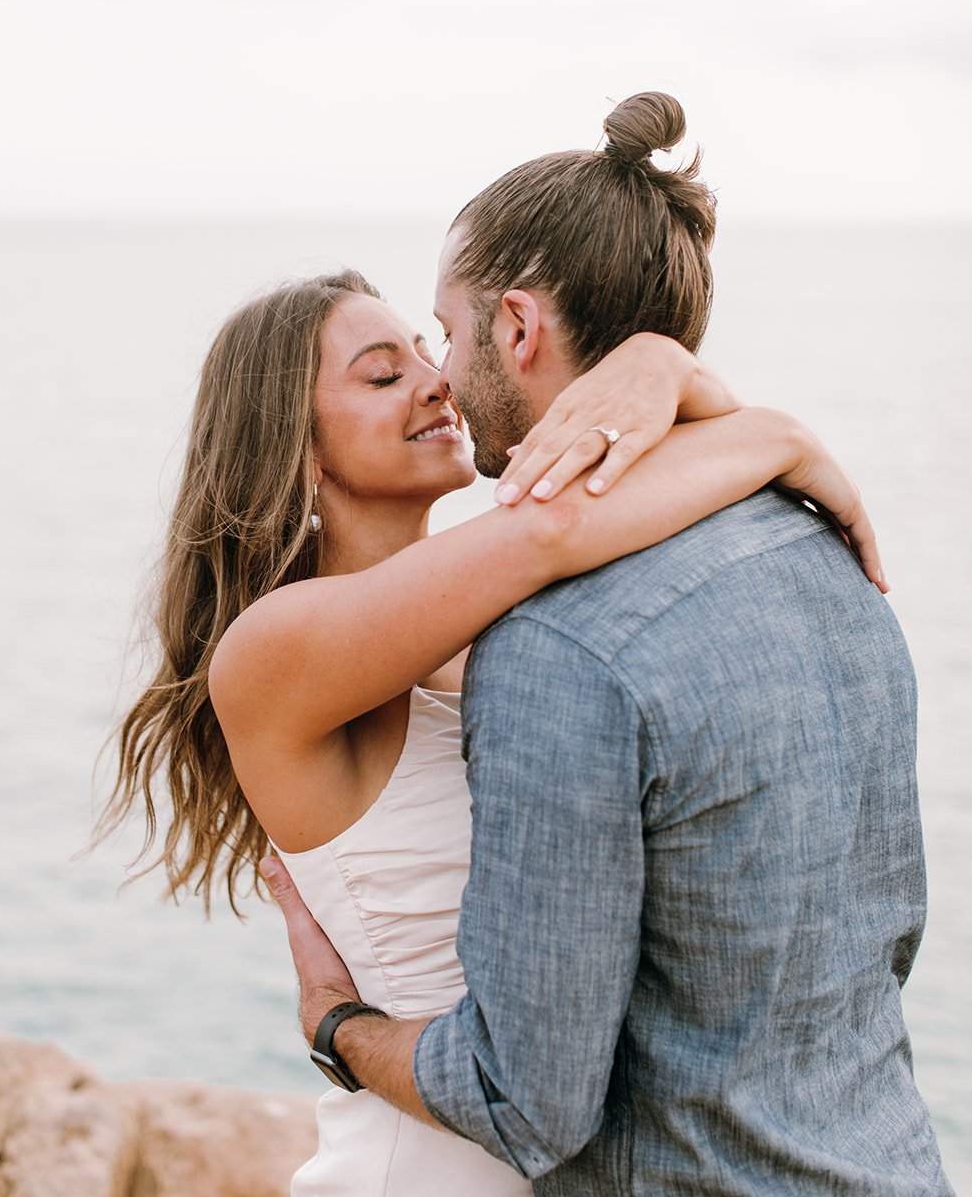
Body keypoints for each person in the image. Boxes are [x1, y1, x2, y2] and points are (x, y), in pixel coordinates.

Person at [260, 92, 953, 1195]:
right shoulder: (822, 549)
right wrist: (742, 414)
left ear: (518, 329)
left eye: (443, 331)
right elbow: (885, 944)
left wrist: (336, 1025)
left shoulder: (552, 649)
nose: (440, 373)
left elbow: (527, 1099)